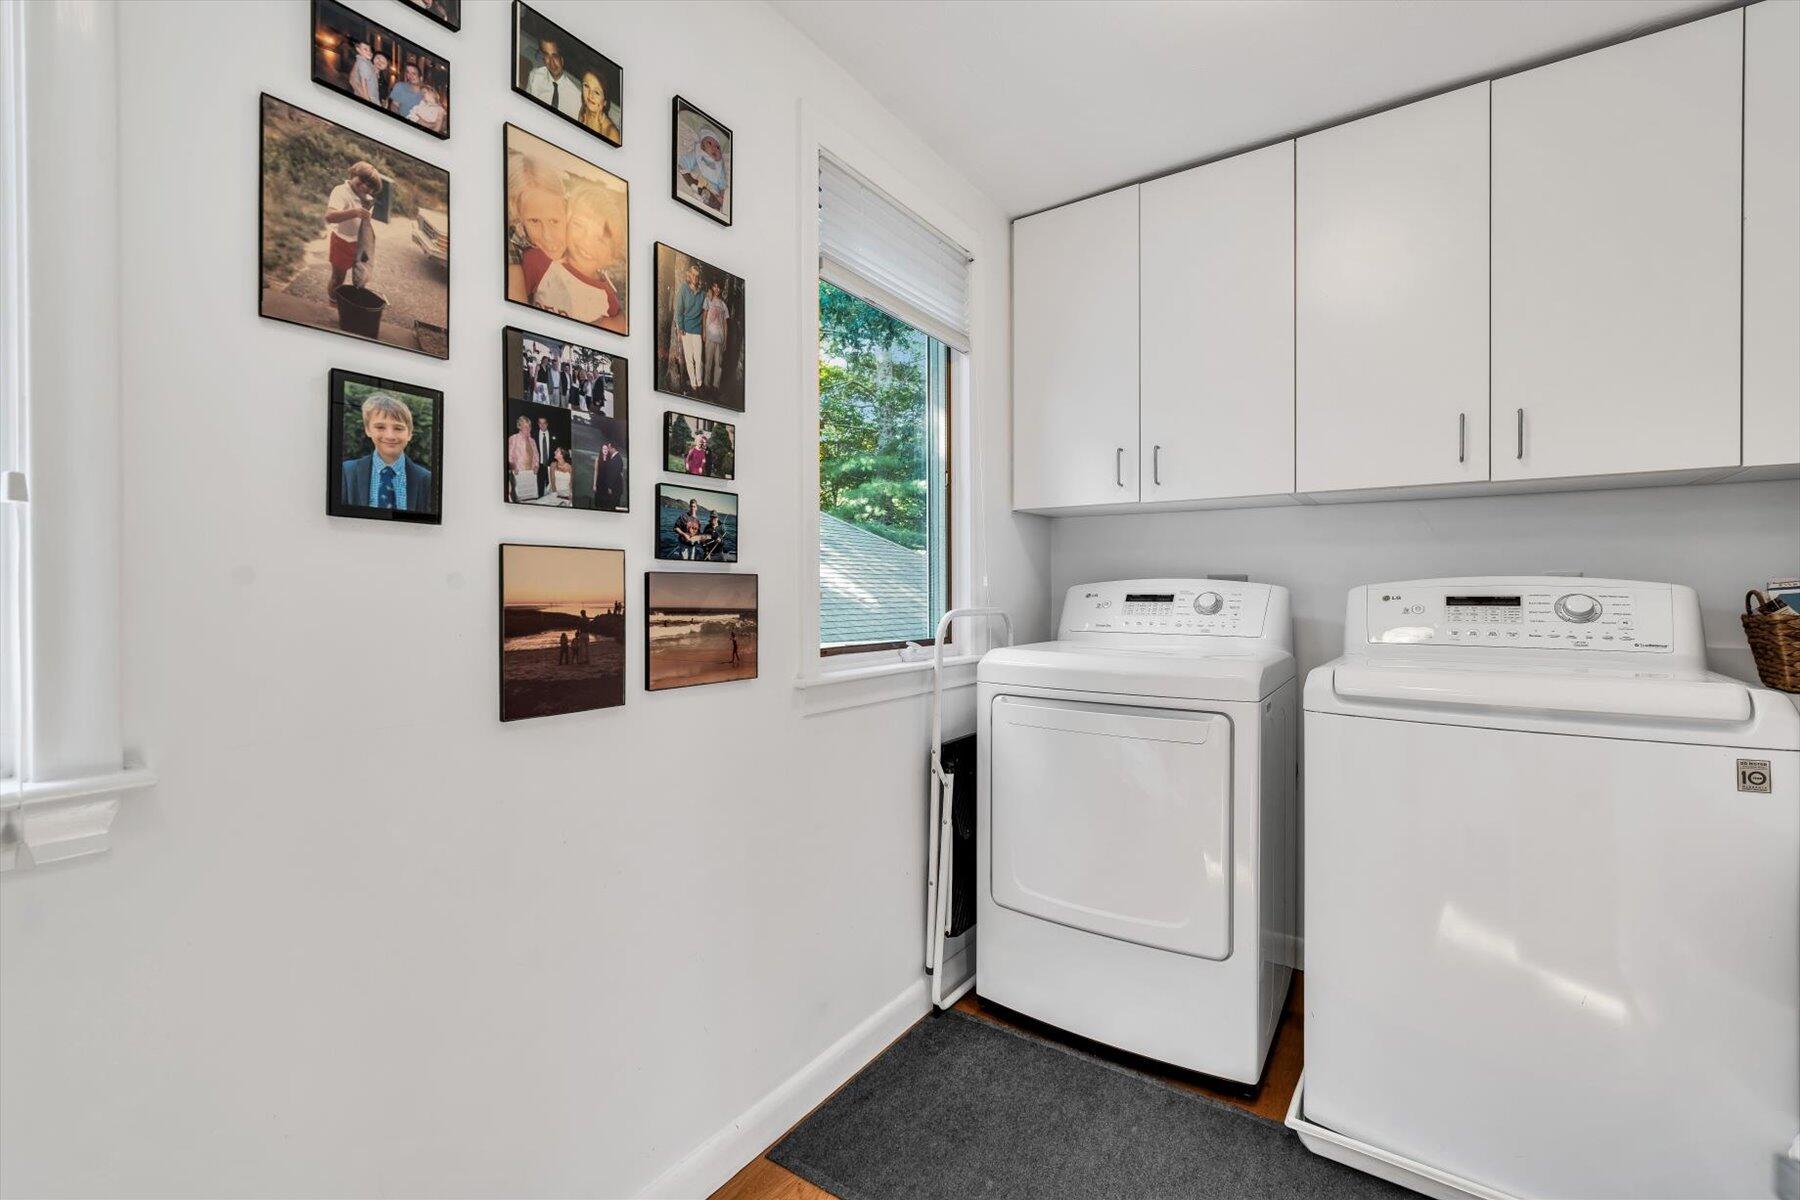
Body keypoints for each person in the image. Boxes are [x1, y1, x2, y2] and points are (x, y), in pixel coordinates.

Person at [533, 183, 624, 332]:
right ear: (566, 223)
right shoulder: (542, 262)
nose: (586, 241)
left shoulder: (607, 297)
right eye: (579, 225)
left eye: (600, 240)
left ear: (612, 258)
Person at [339, 393, 432, 513]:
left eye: (398, 428)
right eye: (380, 427)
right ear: (368, 429)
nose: (390, 436)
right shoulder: (347, 472)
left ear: (409, 434)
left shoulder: (425, 479)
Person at [506, 155, 568, 306]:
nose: (547, 236)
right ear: (516, 216)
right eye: (534, 221)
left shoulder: (583, 243)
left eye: (554, 221)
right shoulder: (512, 245)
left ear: (567, 210)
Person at [325, 161, 382, 299]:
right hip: (341, 240)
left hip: (360, 244)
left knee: (361, 279)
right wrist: (355, 212)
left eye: (370, 186)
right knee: (338, 279)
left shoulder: (368, 200)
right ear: (352, 174)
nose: (365, 186)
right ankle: (331, 304)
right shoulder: (341, 191)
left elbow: (364, 226)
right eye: (362, 180)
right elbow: (329, 217)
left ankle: (348, 306)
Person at [525, 38, 582, 118]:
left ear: (562, 59)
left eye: (555, 56)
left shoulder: (577, 96)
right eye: (546, 55)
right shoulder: (535, 76)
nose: (551, 62)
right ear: (543, 59)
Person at [678, 126, 728, 212]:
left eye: (718, 147)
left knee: (715, 199)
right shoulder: (698, 154)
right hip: (698, 180)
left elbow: (722, 184)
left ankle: (709, 201)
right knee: (690, 177)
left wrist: (722, 196)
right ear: (701, 145)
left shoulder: (719, 167)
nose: (714, 148)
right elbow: (685, 161)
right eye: (709, 143)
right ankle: (701, 195)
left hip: (712, 190)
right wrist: (683, 167)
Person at [675, 264, 705, 392]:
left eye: (696, 276)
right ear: (688, 275)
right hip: (686, 329)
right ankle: (693, 384)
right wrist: (680, 327)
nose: (694, 278)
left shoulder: (702, 293)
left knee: (698, 358)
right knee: (689, 358)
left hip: (697, 330)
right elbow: (678, 310)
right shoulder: (683, 289)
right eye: (692, 275)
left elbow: (705, 310)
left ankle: (699, 382)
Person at [702, 282, 731, 390]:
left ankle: (715, 386)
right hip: (710, 336)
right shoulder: (708, 299)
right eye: (714, 286)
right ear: (711, 288)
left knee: (718, 364)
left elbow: (725, 324)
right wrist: (704, 332)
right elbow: (704, 316)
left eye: (719, 287)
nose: (717, 289)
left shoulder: (723, 305)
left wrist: (725, 340)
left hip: (720, 338)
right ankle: (706, 384)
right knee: (708, 362)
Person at [578, 71, 620, 142]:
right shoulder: (584, 109)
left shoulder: (612, 134)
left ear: (605, 102)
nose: (590, 95)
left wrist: (597, 133)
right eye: (586, 86)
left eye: (597, 92)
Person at [507, 414, 540, 501]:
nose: (527, 428)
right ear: (519, 426)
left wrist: (536, 466)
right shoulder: (513, 438)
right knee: (518, 500)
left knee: (531, 499)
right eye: (525, 426)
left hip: (530, 475)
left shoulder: (532, 441)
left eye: (529, 426)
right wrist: (513, 467)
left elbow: (536, 457)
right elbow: (509, 456)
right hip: (518, 474)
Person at [592, 437, 626, 511]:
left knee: (607, 504)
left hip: (607, 485)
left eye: (607, 449)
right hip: (600, 483)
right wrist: (594, 484)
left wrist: (610, 486)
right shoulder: (597, 459)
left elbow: (618, 472)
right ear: (601, 450)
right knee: (599, 503)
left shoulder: (610, 459)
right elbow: (596, 472)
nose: (605, 450)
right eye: (604, 449)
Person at [534, 416, 554, 497]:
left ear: (547, 424)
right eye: (540, 423)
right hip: (539, 466)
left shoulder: (553, 434)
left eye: (544, 423)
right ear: (538, 424)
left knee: (551, 488)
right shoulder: (533, 435)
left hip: (550, 465)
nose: (542, 425)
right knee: (540, 488)